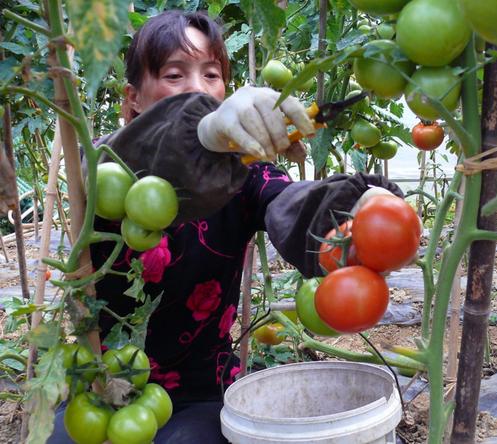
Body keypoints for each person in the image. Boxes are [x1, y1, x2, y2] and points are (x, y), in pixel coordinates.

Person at [48, 10, 402, 443]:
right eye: (175, 75)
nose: (198, 89)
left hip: (202, 393)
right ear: (134, 97)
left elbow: (289, 204)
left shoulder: (244, 177)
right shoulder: (109, 163)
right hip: (99, 388)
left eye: (211, 75)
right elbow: (111, 166)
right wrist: (196, 133)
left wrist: (356, 209)